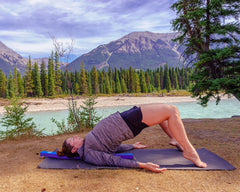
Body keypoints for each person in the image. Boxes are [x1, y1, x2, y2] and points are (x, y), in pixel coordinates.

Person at [57, 103, 207, 173]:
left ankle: (174, 139)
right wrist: (141, 165)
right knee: (172, 110)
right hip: (128, 123)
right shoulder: (89, 155)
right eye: (72, 139)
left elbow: (112, 149)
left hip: (125, 117)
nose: (76, 136)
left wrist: (132, 146)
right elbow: (112, 160)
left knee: (163, 114)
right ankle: (190, 151)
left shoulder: (89, 147)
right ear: (75, 148)